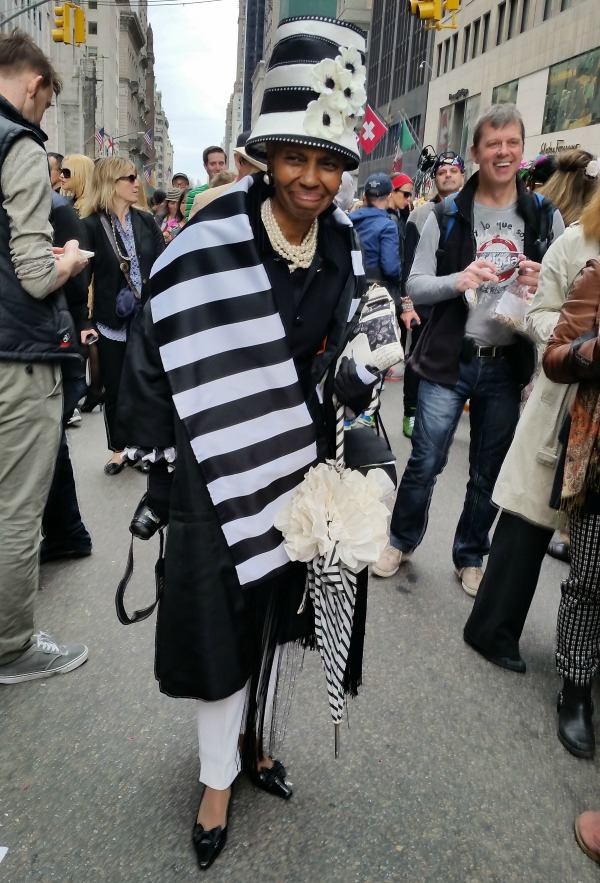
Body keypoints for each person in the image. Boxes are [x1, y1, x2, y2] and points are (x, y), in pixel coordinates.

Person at [116, 15, 374, 870]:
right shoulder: (209, 237)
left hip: (299, 469)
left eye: (328, 160)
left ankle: (259, 742)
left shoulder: (344, 249)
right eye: (295, 157)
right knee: (218, 629)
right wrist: (155, 467)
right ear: (266, 158)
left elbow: (349, 351)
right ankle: (217, 775)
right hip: (209, 469)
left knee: (276, 620)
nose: (312, 177)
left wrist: (363, 367)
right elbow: (151, 352)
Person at [372, 104, 564, 595]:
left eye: (512, 143)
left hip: (506, 364)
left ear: (522, 151)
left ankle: (470, 555)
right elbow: (414, 281)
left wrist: (544, 281)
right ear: (477, 151)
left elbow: (568, 290)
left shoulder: (544, 216)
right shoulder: (445, 212)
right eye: (493, 143)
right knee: (427, 461)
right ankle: (401, 538)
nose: (503, 152)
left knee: (487, 471)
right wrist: (457, 280)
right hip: (447, 362)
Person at [463, 162, 600, 673]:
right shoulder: (577, 243)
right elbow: (537, 314)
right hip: (564, 399)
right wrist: (575, 344)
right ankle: (491, 629)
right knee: (527, 521)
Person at [0, 31, 89, 684]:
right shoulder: (19, 144)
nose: (43, 116)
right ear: (33, 85)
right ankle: (11, 644)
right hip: (17, 354)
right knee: (15, 510)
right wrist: (71, 261)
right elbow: (33, 273)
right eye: (47, 102)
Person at [542, 257, 600, 759]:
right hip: (599, 454)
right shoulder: (597, 272)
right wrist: (595, 349)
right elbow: (556, 357)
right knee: (589, 581)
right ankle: (576, 687)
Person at [80, 157, 164, 475]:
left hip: (146, 320)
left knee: (145, 387)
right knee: (115, 389)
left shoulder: (145, 222)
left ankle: (143, 448)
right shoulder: (90, 225)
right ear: (111, 183)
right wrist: (84, 323)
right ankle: (118, 450)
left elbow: (162, 266)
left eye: (135, 177)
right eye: (129, 177)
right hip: (110, 323)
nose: (136, 183)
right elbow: (81, 279)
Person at [41, 184, 93, 563]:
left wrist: (61, 265)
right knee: (49, 445)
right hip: (45, 342)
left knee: (47, 444)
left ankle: (68, 533)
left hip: (55, 343)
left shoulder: (58, 210)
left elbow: (76, 285)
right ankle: (67, 533)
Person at [399, 152, 465, 437]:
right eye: (442, 172)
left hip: (459, 304)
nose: (448, 175)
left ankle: (441, 417)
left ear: (462, 175)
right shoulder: (420, 214)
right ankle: (411, 413)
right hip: (426, 304)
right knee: (418, 358)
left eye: (453, 171)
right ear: (435, 178)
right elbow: (408, 263)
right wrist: (407, 304)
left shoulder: (472, 211)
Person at [189, 131, 267, 218]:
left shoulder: (279, 201)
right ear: (238, 160)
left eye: (221, 163)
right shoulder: (204, 201)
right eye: (255, 164)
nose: (217, 168)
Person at [351, 173, 401, 293]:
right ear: (389, 196)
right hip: (374, 293)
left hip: (348, 290)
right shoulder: (388, 226)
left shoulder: (348, 220)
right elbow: (390, 268)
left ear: (365, 196)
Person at [184, 146, 227, 219]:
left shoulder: (234, 189)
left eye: (221, 163)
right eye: (213, 164)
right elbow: (189, 226)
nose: (218, 168)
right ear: (205, 166)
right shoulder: (194, 195)